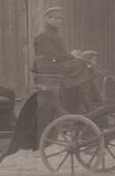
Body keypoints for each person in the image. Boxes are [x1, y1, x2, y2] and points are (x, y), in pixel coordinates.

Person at [33, 7, 101, 135]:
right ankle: (88, 103)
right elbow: (52, 56)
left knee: (86, 65)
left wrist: (74, 55)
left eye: (61, 19)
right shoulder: (43, 36)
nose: (60, 21)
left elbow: (60, 54)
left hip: (58, 64)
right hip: (49, 67)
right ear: (48, 19)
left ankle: (91, 100)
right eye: (57, 18)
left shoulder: (54, 33)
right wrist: (73, 56)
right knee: (83, 64)